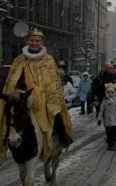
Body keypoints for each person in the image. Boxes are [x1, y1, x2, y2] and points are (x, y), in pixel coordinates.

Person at [0, 27, 73, 164]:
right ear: (27, 41)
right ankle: (4, 139)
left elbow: (53, 81)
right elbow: (12, 80)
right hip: (24, 96)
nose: (34, 43)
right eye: (32, 40)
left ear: (42, 42)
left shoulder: (49, 60)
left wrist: (47, 94)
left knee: (55, 113)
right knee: (8, 114)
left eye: (37, 41)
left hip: (46, 97)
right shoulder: (19, 60)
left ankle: (62, 136)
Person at [97, 83, 116, 151]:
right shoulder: (104, 101)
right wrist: (99, 119)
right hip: (107, 120)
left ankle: (113, 143)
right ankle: (109, 144)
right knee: (108, 133)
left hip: (114, 120)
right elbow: (101, 110)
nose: (110, 94)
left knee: (113, 132)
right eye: (108, 92)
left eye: (112, 92)